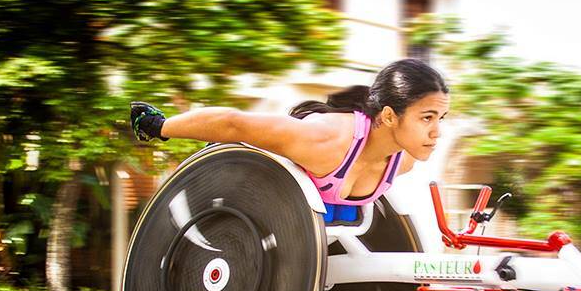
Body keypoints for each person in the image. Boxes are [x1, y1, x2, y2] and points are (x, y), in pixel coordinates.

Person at [130, 59, 450, 221]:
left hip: (297, 232)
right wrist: (159, 126)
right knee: (238, 134)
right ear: (391, 116)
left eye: (440, 119)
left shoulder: (402, 162)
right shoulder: (326, 140)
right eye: (427, 118)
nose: (437, 132)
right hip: (241, 191)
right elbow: (234, 123)